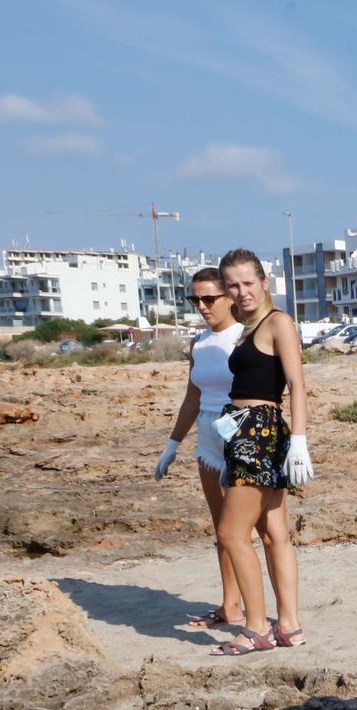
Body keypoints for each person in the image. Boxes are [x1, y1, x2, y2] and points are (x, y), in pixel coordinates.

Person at [209, 248, 314, 656]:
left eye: (248, 282)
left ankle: (256, 628)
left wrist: (301, 440)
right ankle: (288, 625)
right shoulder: (247, 327)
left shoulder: (278, 322)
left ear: (264, 282)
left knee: (231, 533)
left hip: (258, 432)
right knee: (273, 534)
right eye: (233, 285)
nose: (241, 291)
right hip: (247, 432)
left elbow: (297, 384)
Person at [156, 267, 254, 632]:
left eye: (209, 298)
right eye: (194, 299)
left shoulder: (245, 337)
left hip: (241, 432)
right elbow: (192, 396)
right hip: (207, 435)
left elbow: (264, 393)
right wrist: (172, 444)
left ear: (229, 296)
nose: (201, 305)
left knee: (249, 529)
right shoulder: (200, 343)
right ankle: (231, 605)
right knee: (221, 528)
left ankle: (266, 613)